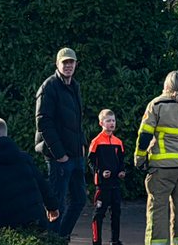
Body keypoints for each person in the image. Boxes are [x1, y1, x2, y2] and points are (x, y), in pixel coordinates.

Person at [136, 70, 178, 245]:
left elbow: (144, 135)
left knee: (157, 211)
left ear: (166, 85)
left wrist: (140, 159)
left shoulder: (157, 105)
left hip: (161, 168)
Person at [35, 46, 87, 239]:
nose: (68, 66)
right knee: (56, 205)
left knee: (80, 200)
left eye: (71, 62)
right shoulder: (49, 87)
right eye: (64, 62)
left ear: (76, 65)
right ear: (57, 64)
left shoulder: (75, 86)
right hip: (59, 158)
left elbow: (77, 121)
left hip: (75, 156)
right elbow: (43, 123)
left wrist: (82, 145)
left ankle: (60, 238)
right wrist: (60, 154)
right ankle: (52, 239)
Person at [88, 108, 126, 245]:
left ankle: (115, 240)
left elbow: (121, 161)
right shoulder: (96, 141)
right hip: (102, 185)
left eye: (113, 120)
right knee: (99, 213)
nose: (111, 123)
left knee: (116, 213)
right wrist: (100, 172)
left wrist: (122, 171)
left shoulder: (118, 142)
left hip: (115, 184)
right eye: (108, 121)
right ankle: (96, 241)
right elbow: (90, 162)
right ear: (101, 123)